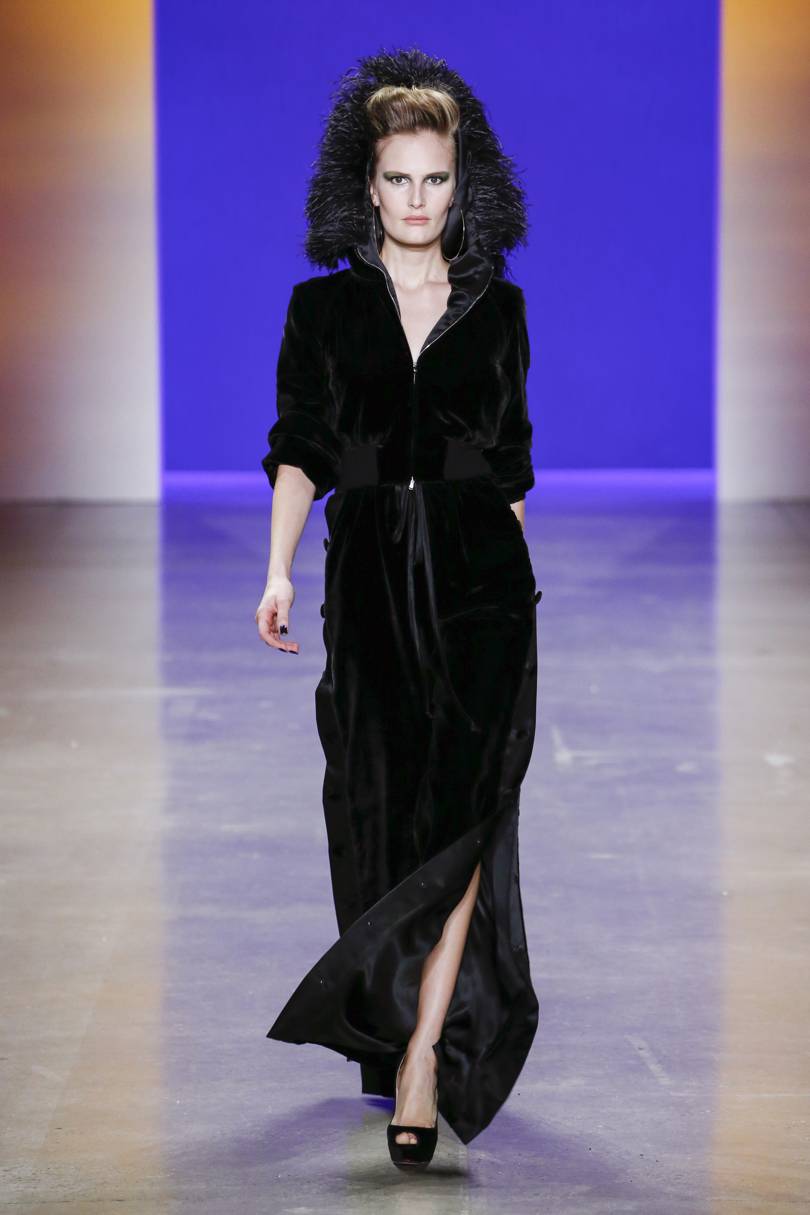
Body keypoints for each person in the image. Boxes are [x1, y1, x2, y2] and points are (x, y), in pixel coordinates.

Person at [255, 48, 543, 1168]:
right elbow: (301, 451)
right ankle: (393, 1023)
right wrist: (279, 571)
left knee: (466, 812)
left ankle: (423, 1055)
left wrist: (518, 598)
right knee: (377, 809)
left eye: (436, 179)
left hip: (480, 582)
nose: (418, 200)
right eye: (398, 179)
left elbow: (510, 471)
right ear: (365, 187)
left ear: (461, 185)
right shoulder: (322, 312)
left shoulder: (499, 311)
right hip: (371, 575)